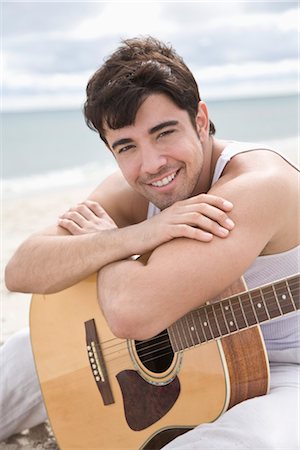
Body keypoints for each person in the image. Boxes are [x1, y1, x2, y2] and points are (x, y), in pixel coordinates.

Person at [2, 36, 299, 449]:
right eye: (127, 146)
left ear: (200, 120)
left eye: (164, 133)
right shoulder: (142, 185)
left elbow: (132, 313)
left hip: (287, 371)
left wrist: (106, 243)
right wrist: (139, 234)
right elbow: (21, 270)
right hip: (187, 358)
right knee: (28, 351)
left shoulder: (259, 184)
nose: (152, 163)